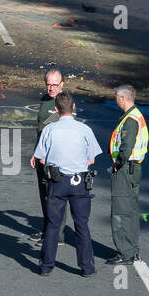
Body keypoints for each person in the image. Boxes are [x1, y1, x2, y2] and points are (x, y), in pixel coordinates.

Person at [32, 91, 102, 277]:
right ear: (73, 107)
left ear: (56, 109)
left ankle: (46, 266)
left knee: (53, 224)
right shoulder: (84, 130)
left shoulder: (49, 129)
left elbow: (41, 158)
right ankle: (87, 267)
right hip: (79, 182)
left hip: (57, 181)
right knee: (82, 225)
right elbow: (92, 159)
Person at [108, 84, 148, 265]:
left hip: (125, 170)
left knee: (121, 211)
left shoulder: (130, 120)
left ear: (123, 98)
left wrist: (117, 164)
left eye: (116, 97)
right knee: (130, 210)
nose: (115, 100)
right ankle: (132, 250)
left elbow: (126, 147)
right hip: (133, 169)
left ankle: (125, 252)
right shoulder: (136, 116)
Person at [29, 69, 70, 245]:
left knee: (56, 196)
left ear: (62, 84)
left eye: (55, 85)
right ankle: (48, 229)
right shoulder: (45, 100)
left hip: (55, 158)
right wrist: (36, 152)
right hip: (41, 154)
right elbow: (41, 128)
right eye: (48, 84)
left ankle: (57, 236)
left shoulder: (65, 102)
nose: (51, 88)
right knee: (45, 194)